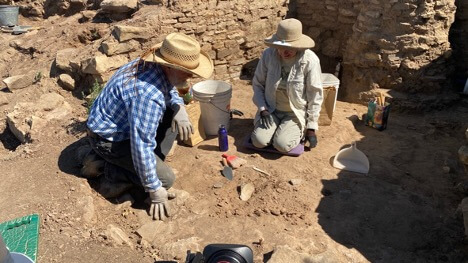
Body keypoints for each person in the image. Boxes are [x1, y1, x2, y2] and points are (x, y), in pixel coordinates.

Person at [79, 32, 213, 221]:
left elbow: (170, 89)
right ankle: (107, 169)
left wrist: (179, 108)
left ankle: (141, 167)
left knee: (172, 116)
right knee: (166, 179)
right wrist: (154, 188)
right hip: (109, 140)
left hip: (124, 127)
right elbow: (140, 145)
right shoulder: (148, 95)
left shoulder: (152, 67)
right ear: (169, 65)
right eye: (186, 70)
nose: (191, 75)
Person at [251, 18, 323, 153]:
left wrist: (311, 128)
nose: (285, 52)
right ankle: (275, 128)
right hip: (271, 109)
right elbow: (258, 84)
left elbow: (315, 95)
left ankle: (290, 131)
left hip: (294, 113)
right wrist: (263, 109)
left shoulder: (310, 60)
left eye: (290, 48)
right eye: (281, 47)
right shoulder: (268, 55)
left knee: (282, 145)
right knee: (259, 141)